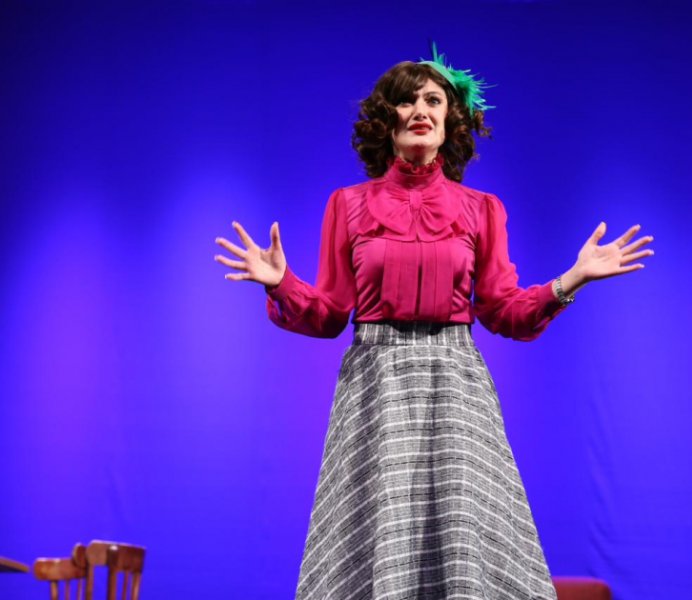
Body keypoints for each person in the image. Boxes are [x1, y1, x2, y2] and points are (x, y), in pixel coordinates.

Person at [215, 45, 653, 600]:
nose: (420, 110)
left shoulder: (481, 209)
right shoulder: (347, 205)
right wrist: (281, 282)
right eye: (407, 101)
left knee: (463, 540)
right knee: (377, 535)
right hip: (376, 386)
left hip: (455, 385)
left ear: (451, 120)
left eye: (433, 101)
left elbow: (503, 310)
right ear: (386, 119)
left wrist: (571, 279)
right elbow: (329, 315)